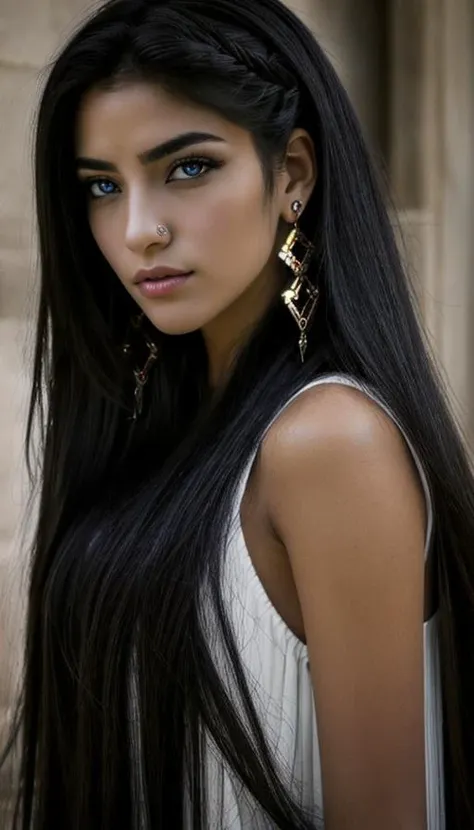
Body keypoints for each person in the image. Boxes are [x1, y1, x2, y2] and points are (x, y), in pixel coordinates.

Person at [2, 0, 474, 827]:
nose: (137, 230)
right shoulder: (159, 432)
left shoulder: (329, 443)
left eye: (186, 167)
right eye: (103, 187)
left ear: (291, 173)